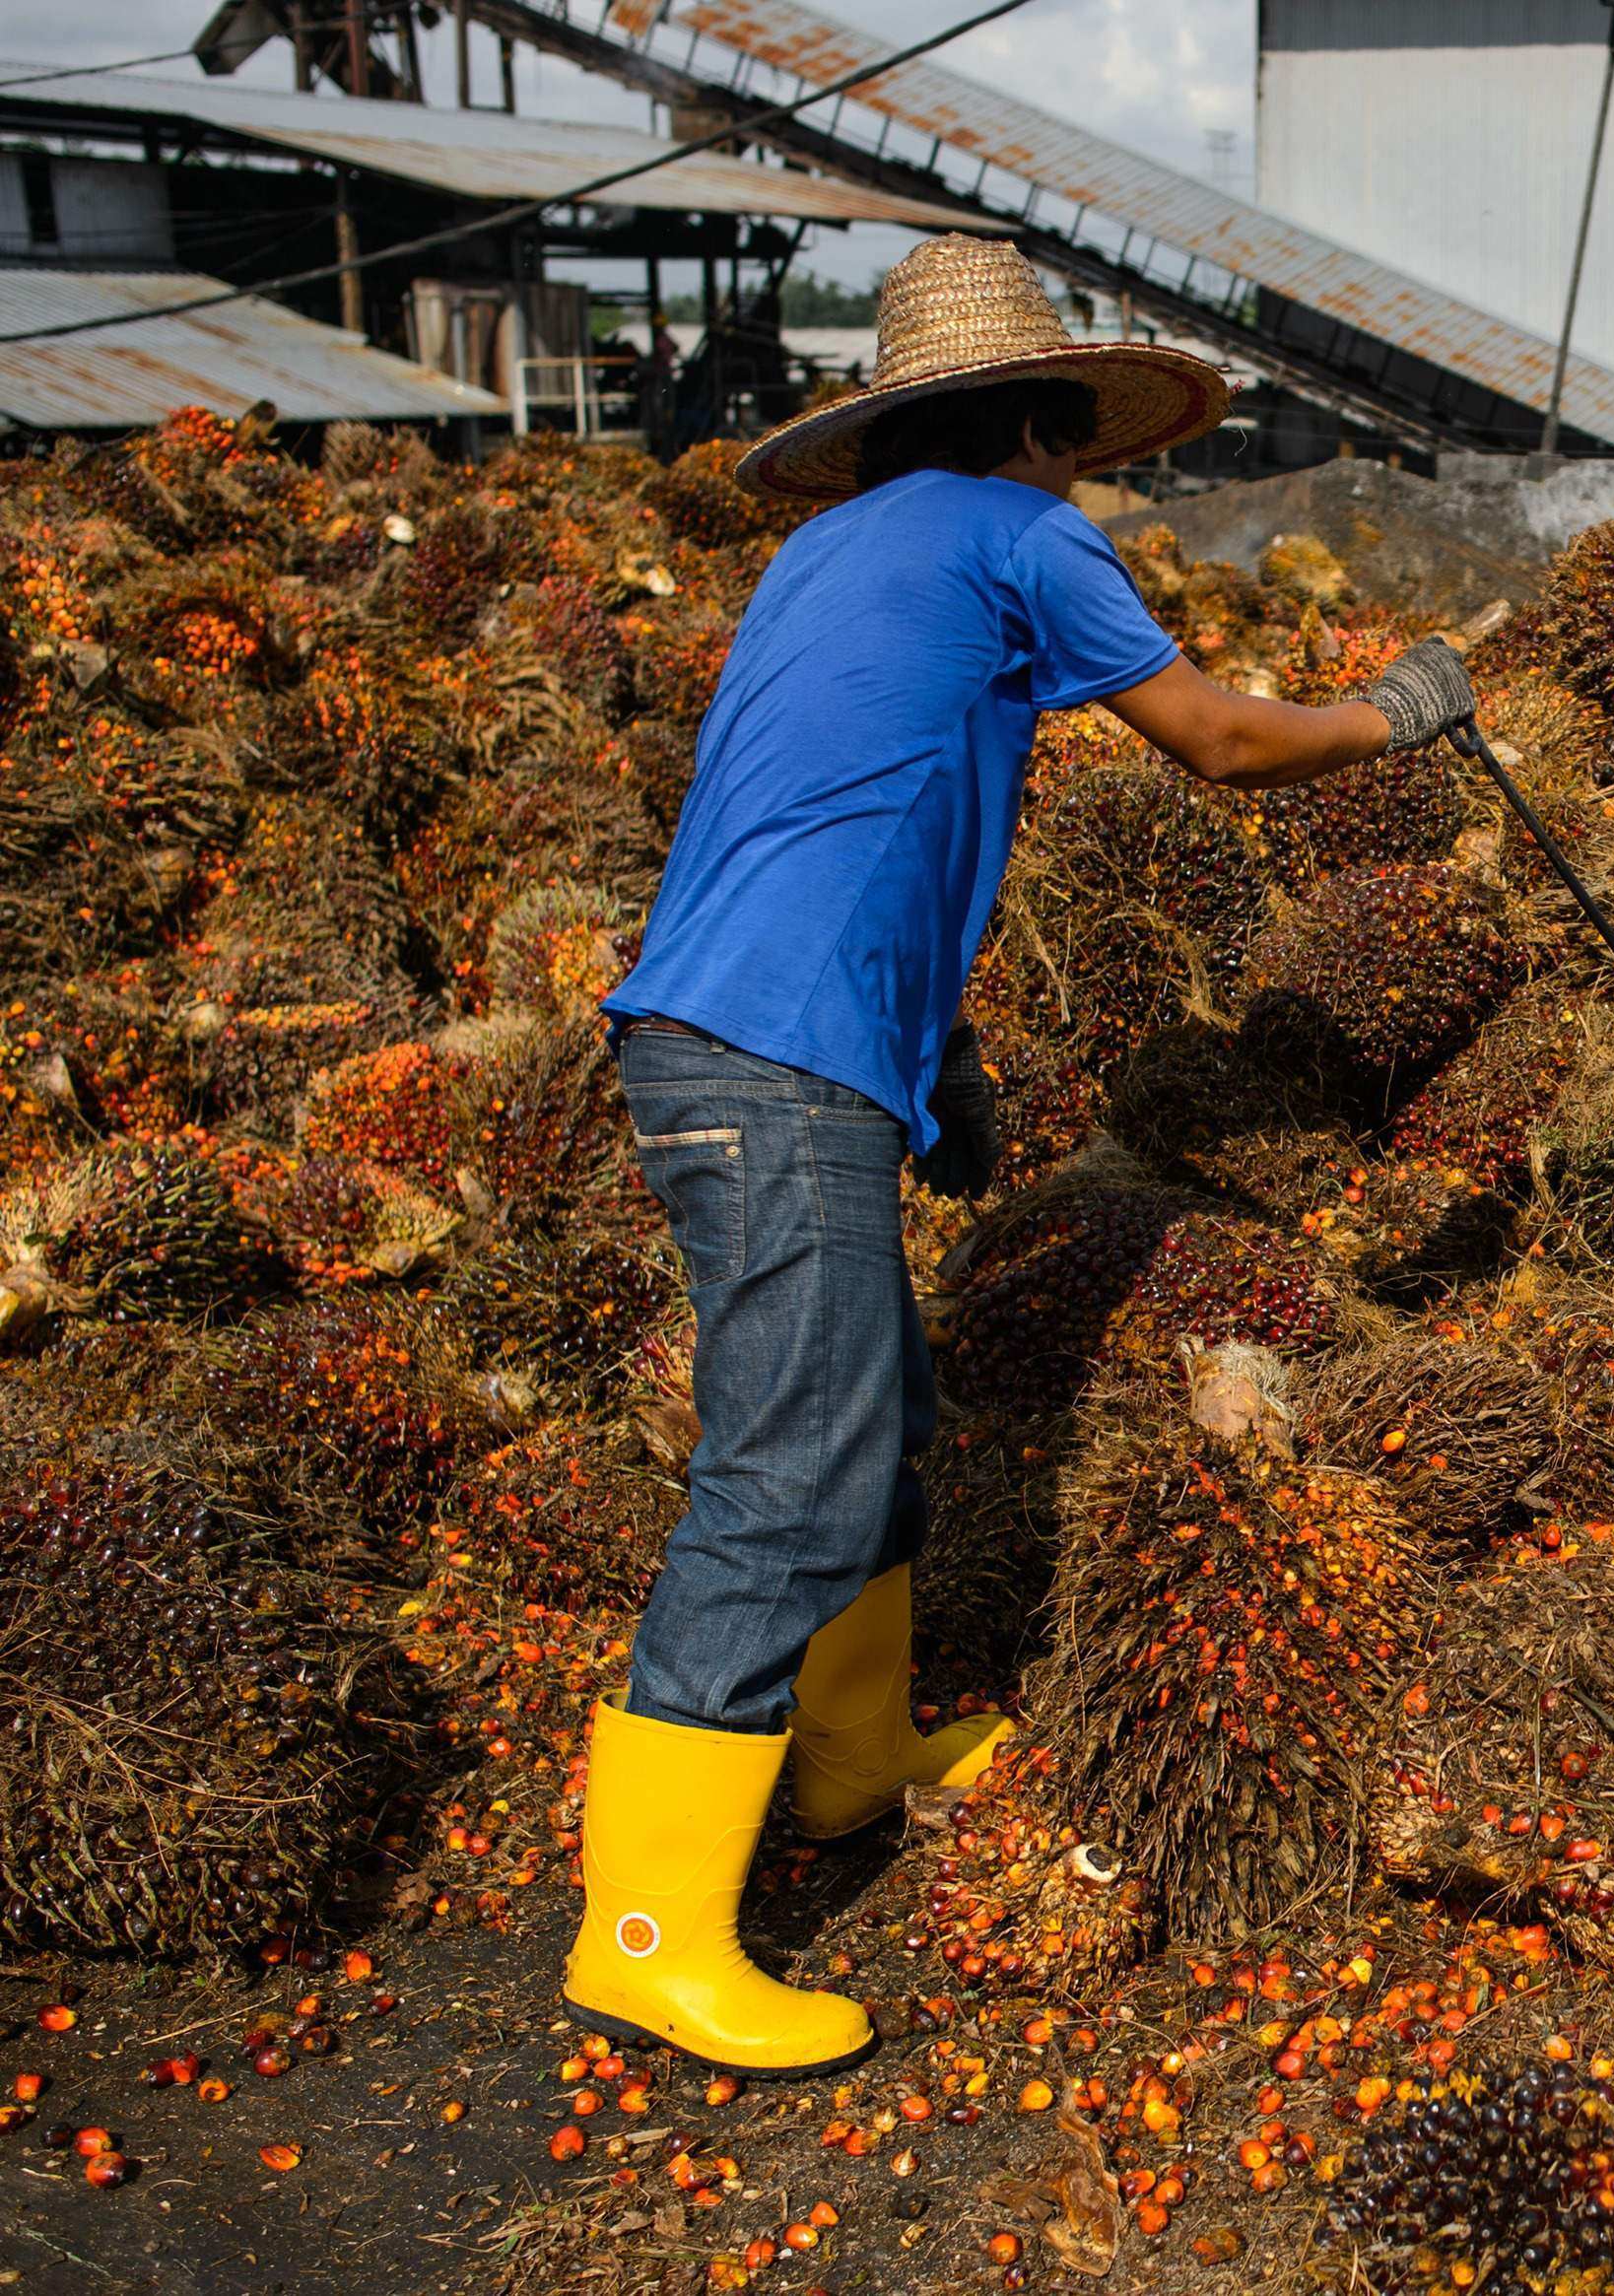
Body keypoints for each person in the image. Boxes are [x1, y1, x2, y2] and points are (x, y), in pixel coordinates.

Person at [581, 235, 1474, 2075]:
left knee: (876, 1412)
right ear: (1051, 424)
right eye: (1085, 444)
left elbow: (852, 813)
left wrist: (947, 1054)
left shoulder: (827, 552)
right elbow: (1217, 743)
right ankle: (648, 1927)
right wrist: (1393, 718)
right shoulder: (1018, 533)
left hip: (744, 1033)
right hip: (771, 1059)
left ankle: (850, 1762)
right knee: (789, 1472)